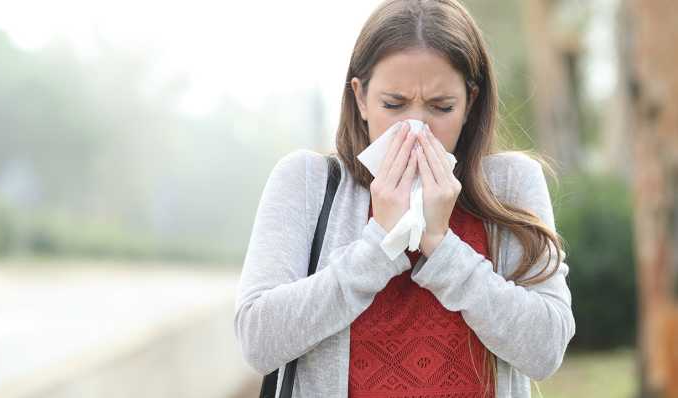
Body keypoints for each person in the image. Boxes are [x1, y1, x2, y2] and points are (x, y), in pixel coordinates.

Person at [234, 0, 575, 397]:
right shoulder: (307, 182)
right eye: (393, 105)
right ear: (360, 98)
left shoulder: (512, 183)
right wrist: (380, 243)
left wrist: (443, 247)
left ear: (470, 102)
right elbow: (258, 342)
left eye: (441, 107)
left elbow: (546, 350)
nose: (416, 127)